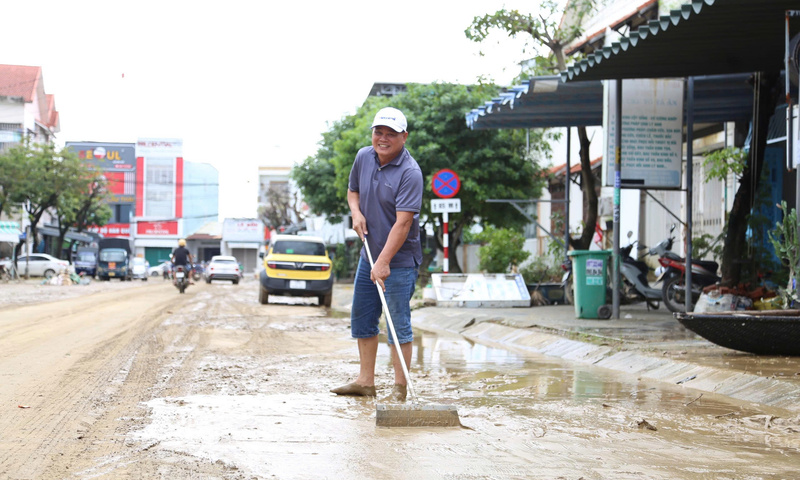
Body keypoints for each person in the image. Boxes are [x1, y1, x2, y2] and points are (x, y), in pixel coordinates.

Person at [331, 107, 423, 402]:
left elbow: (403, 222)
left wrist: (384, 262)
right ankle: (365, 382)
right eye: (378, 132)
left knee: (397, 324)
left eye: (391, 134)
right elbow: (352, 191)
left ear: (404, 137)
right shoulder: (363, 157)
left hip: (399, 261)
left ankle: (399, 390)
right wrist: (356, 213)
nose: (383, 138)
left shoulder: (410, 173)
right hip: (368, 254)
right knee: (362, 318)